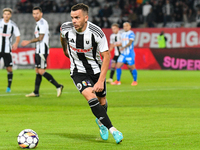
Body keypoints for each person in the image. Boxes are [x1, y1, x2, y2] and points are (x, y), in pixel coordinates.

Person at [60, 3, 123, 144]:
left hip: (96, 70)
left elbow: (106, 56)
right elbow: (62, 36)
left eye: (77, 17)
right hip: (78, 71)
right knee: (91, 97)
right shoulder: (66, 28)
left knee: (103, 103)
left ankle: (101, 122)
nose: (74, 21)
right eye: (72, 18)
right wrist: (65, 50)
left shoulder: (96, 32)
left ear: (86, 18)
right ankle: (113, 129)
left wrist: (101, 81)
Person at [21, 6, 63, 97]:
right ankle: (36, 92)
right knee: (37, 70)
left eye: (37, 13)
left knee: (41, 71)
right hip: (38, 50)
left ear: (41, 14)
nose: (35, 15)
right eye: (34, 14)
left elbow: (40, 38)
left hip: (42, 50)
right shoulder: (38, 24)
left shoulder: (42, 23)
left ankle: (58, 86)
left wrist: (28, 41)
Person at [0, 8, 20, 93]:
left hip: (7, 50)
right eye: (5, 14)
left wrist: (16, 43)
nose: (6, 15)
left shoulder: (13, 25)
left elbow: (18, 35)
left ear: (10, 15)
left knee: (9, 69)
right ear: (3, 15)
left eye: (8, 14)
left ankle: (8, 87)